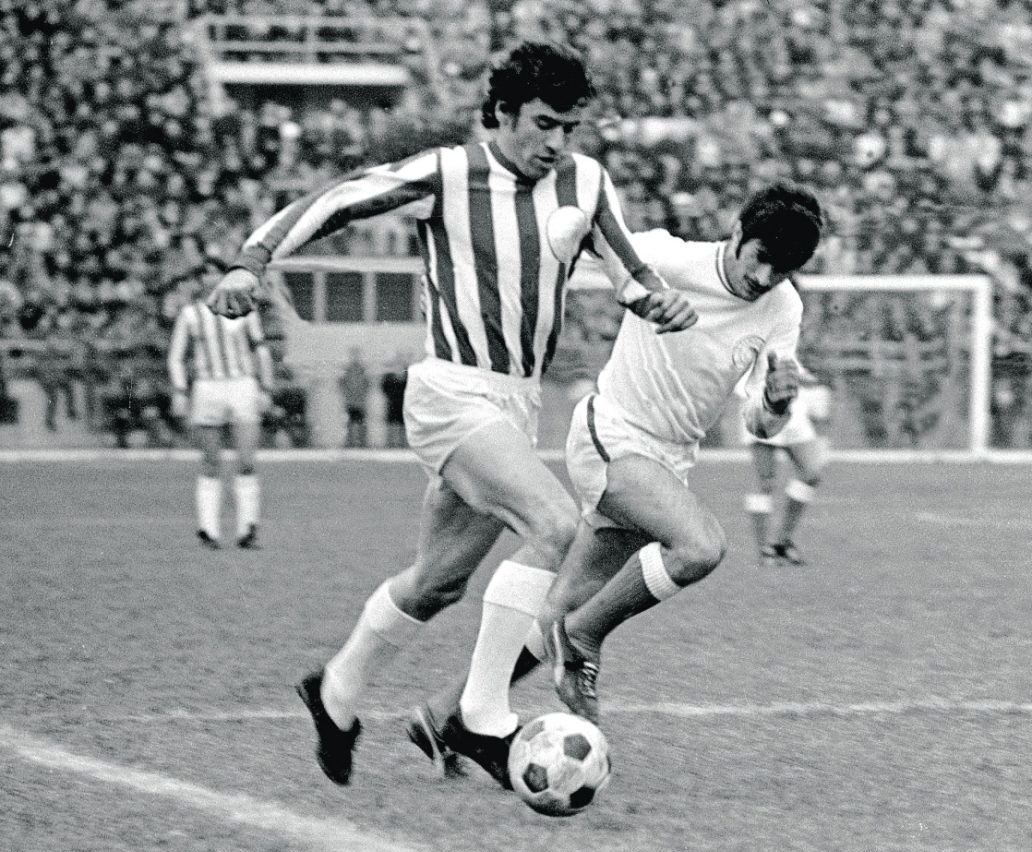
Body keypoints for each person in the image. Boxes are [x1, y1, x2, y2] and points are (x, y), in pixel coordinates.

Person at [204, 41, 696, 788]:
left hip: (514, 402)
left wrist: (659, 302)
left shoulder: (586, 182)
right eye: (543, 123)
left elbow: (630, 271)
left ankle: (335, 691)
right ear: (502, 113)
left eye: (569, 127)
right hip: (451, 392)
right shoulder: (447, 173)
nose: (556, 142)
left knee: (437, 582)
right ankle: (480, 716)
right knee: (554, 526)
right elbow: (339, 199)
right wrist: (253, 261)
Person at [416, 182, 824, 764]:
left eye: (781, 271)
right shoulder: (665, 258)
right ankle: (583, 639)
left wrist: (778, 404)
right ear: (737, 232)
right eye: (760, 259)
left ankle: (446, 717)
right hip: (611, 436)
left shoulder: (784, 308)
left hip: (668, 463)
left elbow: (759, 422)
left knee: (557, 610)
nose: (763, 278)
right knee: (700, 547)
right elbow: (570, 243)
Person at [168, 263, 275, 550]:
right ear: (200, 280)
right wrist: (180, 390)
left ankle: (248, 530)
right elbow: (176, 356)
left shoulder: (244, 309)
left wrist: (266, 387)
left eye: (217, 273)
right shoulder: (190, 314)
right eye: (206, 274)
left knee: (247, 460)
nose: (211, 279)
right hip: (208, 387)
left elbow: (260, 349)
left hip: (242, 385)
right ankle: (208, 530)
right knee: (210, 461)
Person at [743, 357, 833, 566]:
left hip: (793, 409)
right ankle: (764, 550)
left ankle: (782, 542)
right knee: (765, 482)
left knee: (811, 473)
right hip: (764, 406)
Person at [338, 347, 370, 448]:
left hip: (360, 402)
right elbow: (341, 383)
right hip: (350, 402)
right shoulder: (347, 370)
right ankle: (349, 442)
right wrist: (347, 394)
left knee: (361, 422)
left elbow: (367, 384)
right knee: (349, 422)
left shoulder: (363, 370)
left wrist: (362, 395)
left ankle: (362, 442)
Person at [380, 354, 409, 448]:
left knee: (403, 424)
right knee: (392, 424)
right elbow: (384, 388)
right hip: (392, 404)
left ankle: (403, 443)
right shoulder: (389, 379)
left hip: (404, 405)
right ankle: (391, 443)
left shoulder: (407, 379)